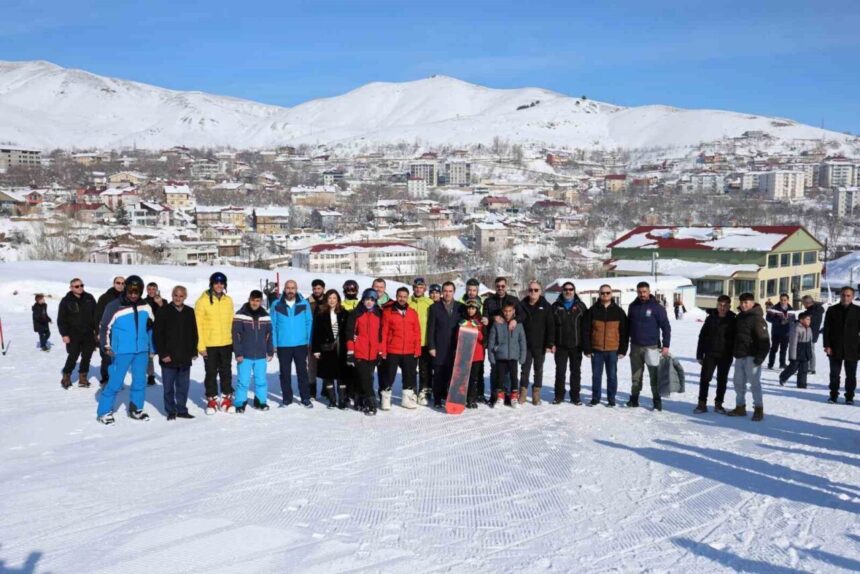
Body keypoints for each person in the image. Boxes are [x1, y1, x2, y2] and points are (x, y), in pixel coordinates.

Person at [96, 275, 154, 425]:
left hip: (141, 351)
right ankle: (104, 412)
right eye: (130, 291)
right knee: (115, 382)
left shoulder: (146, 306)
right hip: (121, 351)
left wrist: (151, 347)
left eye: (137, 292)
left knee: (140, 382)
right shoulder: (114, 305)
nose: (133, 295)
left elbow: (151, 328)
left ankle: (136, 409)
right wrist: (106, 347)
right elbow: (104, 328)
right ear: (126, 290)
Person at [153, 285, 198, 420]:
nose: (178, 298)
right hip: (168, 357)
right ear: (172, 295)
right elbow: (157, 335)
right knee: (168, 387)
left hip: (184, 356)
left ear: (185, 297)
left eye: (181, 296)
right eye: (175, 295)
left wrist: (193, 350)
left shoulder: (190, 311)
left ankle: (182, 409)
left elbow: (193, 333)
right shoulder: (163, 311)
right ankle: (171, 411)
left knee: (183, 386)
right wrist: (163, 354)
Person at [195, 272, 236, 414]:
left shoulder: (228, 300)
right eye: (216, 283)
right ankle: (212, 400)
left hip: (226, 343)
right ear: (211, 284)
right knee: (211, 372)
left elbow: (232, 322)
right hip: (210, 344)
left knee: (226, 372)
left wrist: (234, 341)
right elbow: (198, 325)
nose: (219, 285)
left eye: (222, 283)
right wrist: (200, 345)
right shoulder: (202, 301)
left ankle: (226, 398)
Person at [627, 281, 671, 411]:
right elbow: (628, 326)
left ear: (649, 291)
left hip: (652, 347)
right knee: (636, 375)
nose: (642, 294)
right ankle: (634, 399)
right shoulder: (632, 306)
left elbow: (666, 327)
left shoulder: (657, 308)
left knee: (654, 376)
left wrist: (666, 345)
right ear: (637, 292)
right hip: (635, 346)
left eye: (644, 292)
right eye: (640, 292)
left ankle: (657, 401)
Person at [583, 285, 628, 407]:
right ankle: (595, 398)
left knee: (612, 376)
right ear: (599, 294)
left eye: (607, 293)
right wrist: (587, 348)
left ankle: (611, 398)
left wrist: (623, 349)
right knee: (596, 376)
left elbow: (624, 332)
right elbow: (586, 330)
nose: (605, 295)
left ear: (611, 294)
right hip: (596, 350)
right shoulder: (592, 310)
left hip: (613, 350)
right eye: (602, 293)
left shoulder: (619, 311)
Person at [271, 279, 314, 408]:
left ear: (296, 289)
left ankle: (305, 398)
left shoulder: (304, 304)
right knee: (284, 373)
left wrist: (309, 341)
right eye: (288, 288)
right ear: (284, 289)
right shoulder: (276, 304)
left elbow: (309, 322)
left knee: (302, 372)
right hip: (283, 345)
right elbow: (272, 325)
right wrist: (274, 343)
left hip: (301, 344)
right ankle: (287, 398)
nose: (290, 290)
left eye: (293, 288)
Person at [728, 292, 770, 421]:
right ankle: (740, 407)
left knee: (754, 384)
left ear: (752, 303)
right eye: (741, 302)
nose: (743, 305)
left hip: (753, 356)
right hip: (740, 355)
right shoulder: (740, 317)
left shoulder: (757, 318)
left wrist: (760, 358)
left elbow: (765, 340)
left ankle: (758, 409)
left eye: (746, 302)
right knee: (738, 383)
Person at [483, 277, 523, 405]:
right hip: (495, 339)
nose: (500, 288)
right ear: (495, 287)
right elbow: (485, 315)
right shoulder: (489, 301)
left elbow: (523, 315)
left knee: (510, 372)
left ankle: (507, 394)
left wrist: (515, 320)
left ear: (506, 286)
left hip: (509, 340)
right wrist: (492, 317)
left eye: (502, 286)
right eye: (498, 286)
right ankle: (495, 395)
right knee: (495, 369)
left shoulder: (513, 300)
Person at [232, 290, 274, 413]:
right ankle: (240, 402)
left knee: (261, 380)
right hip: (245, 355)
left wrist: (270, 350)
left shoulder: (266, 316)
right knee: (243, 381)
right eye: (253, 300)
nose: (255, 303)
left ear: (261, 301)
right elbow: (236, 335)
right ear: (249, 299)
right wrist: (238, 353)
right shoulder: (240, 315)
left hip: (261, 355)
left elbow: (269, 334)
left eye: (257, 300)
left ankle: (260, 401)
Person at [381, 287, 422, 410]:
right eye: (400, 296)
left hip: (409, 350)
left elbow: (417, 332)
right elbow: (384, 332)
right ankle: (385, 399)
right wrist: (383, 350)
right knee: (389, 375)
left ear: (407, 297)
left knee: (409, 376)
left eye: (404, 296)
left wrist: (417, 349)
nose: (402, 299)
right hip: (393, 350)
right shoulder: (388, 312)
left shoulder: (412, 312)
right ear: (396, 296)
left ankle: (406, 399)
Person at [694, 295, 736, 414]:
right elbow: (702, 336)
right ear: (717, 305)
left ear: (729, 306)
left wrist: (735, 352)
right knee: (705, 379)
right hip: (710, 354)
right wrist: (699, 354)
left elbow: (736, 338)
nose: (722, 308)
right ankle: (701, 404)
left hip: (725, 355)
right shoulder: (710, 318)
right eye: (720, 305)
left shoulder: (733, 320)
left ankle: (719, 404)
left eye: (725, 306)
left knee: (722, 380)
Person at [346, 289, 384, 415]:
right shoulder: (356, 313)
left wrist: (379, 352)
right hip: (359, 351)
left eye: (372, 300)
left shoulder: (378, 314)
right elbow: (349, 334)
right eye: (367, 299)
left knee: (363, 378)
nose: (369, 302)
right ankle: (371, 402)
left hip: (372, 353)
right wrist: (351, 351)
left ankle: (359, 400)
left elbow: (380, 335)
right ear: (363, 300)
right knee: (366, 378)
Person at [427, 281, 464, 408]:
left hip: (454, 346)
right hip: (439, 344)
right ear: (442, 292)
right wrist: (431, 346)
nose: (447, 294)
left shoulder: (460, 307)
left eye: (450, 291)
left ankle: (447, 396)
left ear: (454, 292)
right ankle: (437, 398)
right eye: (445, 291)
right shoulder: (435, 307)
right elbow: (430, 328)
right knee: (438, 373)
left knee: (451, 372)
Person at [551, 281, 588, 405]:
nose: (568, 291)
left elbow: (586, 327)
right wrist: (551, 343)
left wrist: (585, 345)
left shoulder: (581, 306)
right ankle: (559, 396)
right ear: (562, 291)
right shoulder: (555, 306)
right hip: (560, 346)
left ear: (574, 291)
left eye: (571, 289)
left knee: (576, 372)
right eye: (566, 289)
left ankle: (575, 396)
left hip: (576, 346)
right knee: (560, 372)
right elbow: (551, 327)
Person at [57, 277, 98, 389]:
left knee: (87, 356)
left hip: (88, 333)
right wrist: (64, 334)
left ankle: (83, 377)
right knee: (73, 355)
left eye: (81, 285)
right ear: (71, 288)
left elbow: (96, 315)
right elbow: (61, 319)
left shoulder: (89, 298)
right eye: (77, 286)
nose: (80, 288)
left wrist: (97, 331)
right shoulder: (66, 301)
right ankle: (66, 375)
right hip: (73, 334)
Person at [312, 289, 350, 409]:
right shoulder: (320, 314)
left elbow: (348, 331)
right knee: (328, 375)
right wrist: (316, 349)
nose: (332, 300)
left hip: (341, 348)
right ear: (326, 299)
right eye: (329, 298)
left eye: (334, 298)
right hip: (326, 348)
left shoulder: (344, 313)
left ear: (338, 299)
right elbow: (316, 333)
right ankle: (332, 399)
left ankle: (342, 400)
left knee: (342, 374)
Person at [519, 280, 554, 405]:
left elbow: (551, 326)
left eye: (536, 290)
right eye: (530, 290)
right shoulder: (521, 305)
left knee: (538, 369)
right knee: (525, 369)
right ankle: (522, 392)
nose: (533, 292)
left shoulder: (546, 306)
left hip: (540, 345)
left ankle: (536, 394)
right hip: (525, 345)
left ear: (540, 291)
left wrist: (550, 344)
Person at [822, 286, 859, 405]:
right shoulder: (832, 310)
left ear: (852, 297)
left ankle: (849, 396)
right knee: (834, 374)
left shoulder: (858, 310)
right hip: (835, 347)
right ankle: (833, 395)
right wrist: (827, 345)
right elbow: (826, 329)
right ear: (840, 296)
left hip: (853, 348)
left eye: (848, 295)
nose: (845, 297)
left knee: (851, 376)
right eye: (843, 295)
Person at [487, 302, 528, 408]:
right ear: (502, 311)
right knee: (500, 377)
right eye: (505, 311)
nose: (507, 313)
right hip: (500, 356)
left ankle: (514, 397)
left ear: (514, 311)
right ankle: (500, 397)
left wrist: (522, 356)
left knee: (514, 377)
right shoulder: (497, 324)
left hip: (513, 356)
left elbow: (522, 341)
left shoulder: (518, 325)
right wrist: (491, 356)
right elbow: (491, 341)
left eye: (510, 311)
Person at [408, 277, 434, 406]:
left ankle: (424, 391)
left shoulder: (430, 303)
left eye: (421, 287)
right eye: (416, 287)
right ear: (413, 288)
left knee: (425, 369)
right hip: (410, 343)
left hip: (425, 342)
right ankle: (412, 391)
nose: (418, 289)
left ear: (425, 288)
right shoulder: (407, 302)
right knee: (411, 369)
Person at [95, 276, 125, 385]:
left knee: (119, 357)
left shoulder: (127, 297)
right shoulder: (105, 297)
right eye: (118, 282)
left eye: (123, 283)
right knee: (107, 356)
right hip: (108, 331)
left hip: (121, 332)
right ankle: (106, 378)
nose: (120, 285)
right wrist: (98, 332)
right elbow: (98, 315)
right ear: (114, 283)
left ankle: (116, 379)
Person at [460, 299, 485, 409]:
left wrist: (476, 330)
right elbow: (458, 338)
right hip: (465, 353)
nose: (470, 310)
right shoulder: (462, 321)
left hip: (476, 355)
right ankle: (462, 397)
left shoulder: (480, 322)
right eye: (469, 308)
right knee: (464, 377)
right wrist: (462, 328)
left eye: (473, 308)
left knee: (474, 378)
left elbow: (483, 339)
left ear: (477, 309)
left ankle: (472, 398)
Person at [779, 312, 813, 389]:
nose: (809, 321)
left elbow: (810, 343)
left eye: (809, 319)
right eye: (807, 319)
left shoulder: (809, 328)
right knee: (793, 367)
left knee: (804, 369)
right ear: (801, 320)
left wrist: (809, 353)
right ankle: (783, 377)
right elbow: (793, 343)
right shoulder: (796, 328)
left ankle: (802, 385)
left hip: (806, 351)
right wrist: (792, 356)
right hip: (797, 351)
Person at [307, 278, 327, 399]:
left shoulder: (329, 300)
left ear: (323, 289)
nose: (316, 290)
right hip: (311, 337)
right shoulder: (307, 302)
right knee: (312, 365)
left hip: (325, 339)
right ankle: (312, 390)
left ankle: (326, 388)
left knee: (326, 364)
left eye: (319, 288)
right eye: (314, 288)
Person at [144, 281, 165, 386]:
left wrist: (160, 303)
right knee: (149, 355)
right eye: (149, 289)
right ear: (147, 290)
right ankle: (151, 376)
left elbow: (168, 313)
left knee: (163, 353)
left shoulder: (163, 301)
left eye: (153, 289)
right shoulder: (143, 301)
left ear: (157, 290)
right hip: (148, 330)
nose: (151, 291)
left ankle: (166, 375)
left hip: (161, 331)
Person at [766, 293, 792, 370]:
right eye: (781, 300)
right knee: (774, 349)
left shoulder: (791, 309)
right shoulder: (774, 308)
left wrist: (789, 321)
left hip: (786, 332)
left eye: (785, 300)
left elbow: (794, 318)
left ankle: (782, 363)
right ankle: (770, 364)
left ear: (788, 300)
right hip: (776, 332)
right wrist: (779, 321)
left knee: (784, 349)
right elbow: (768, 318)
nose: (783, 301)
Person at [800, 295, 824, 374]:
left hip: (811, 333)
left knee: (810, 350)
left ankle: (811, 368)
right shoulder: (814, 309)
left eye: (803, 303)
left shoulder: (813, 311)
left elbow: (809, 322)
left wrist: (800, 320)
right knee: (810, 350)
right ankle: (810, 367)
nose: (803, 305)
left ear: (807, 303)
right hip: (812, 332)